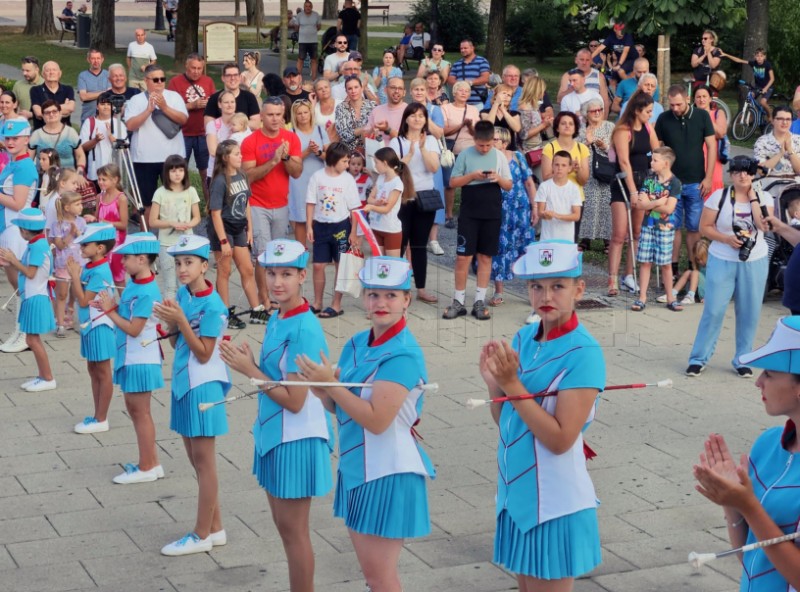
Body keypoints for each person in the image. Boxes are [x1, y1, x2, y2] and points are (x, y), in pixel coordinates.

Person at [295, 255, 436, 592]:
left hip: (388, 470)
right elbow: (340, 407)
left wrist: (331, 384)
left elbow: (377, 421)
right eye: (373, 294)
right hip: (359, 465)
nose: (381, 302)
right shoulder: (357, 342)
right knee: (374, 578)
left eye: (391, 295)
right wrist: (319, 387)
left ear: (407, 300)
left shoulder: (402, 354)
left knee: (381, 577)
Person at [479, 239, 604, 592]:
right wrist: (494, 386)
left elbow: (561, 439)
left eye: (558, 286)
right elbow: (508, 422)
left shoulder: (585, 353)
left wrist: (511, 384)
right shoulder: (523, 337)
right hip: (516, 493)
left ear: (579, 289)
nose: (546, 295)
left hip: (554, 500)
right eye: (536, 286)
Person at [220, 239, 334, 591]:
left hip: (296, 437)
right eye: (271, 273)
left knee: (294, 533)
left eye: (287, 274)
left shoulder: (303, 327)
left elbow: (296, 400)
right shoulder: (280, 315)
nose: (277, 282)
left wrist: (249, 370)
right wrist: (253, 363)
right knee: (286, 531)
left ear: (303, 276)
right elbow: (278, 375)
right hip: (275, 432)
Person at [693, 316, 800, 592]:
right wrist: (731, 500)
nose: (758, 382)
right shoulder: (767, 444)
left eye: (770, 374)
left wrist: (749, 505)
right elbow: (750, 556)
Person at [151, 235, 229, 556]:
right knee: (194, 461)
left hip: (203, 386)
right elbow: (177, 345)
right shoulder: (183, 295)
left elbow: (204, 353)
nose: (182, 269)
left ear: (203, 266)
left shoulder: (214, 305)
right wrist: (168, 326)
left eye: (189, 262)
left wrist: (181, 321)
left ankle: (200, 535)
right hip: (183, 383)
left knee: (205, 462)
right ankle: (215, 527)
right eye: (178, 262)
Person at [686, 155, 773, 378]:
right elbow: (704, 227)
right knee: (713, 310)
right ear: (731, 174)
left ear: (754, 174)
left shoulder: (765, 197)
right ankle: (698, 358)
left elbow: (764, 226)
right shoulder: (719, 197)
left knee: (750, 312)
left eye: (747, 171)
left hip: (754, 260)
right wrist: (726, 239)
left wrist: (753, 198)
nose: (743, 176)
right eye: (737, 171)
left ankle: (743, 359)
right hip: (722, 257)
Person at [99, 233, 165, 485]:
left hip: (141, 357)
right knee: (138, 412)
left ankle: (147, 465)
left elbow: (134, 329)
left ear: (142, 259)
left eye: (126, 258)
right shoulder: (137, 283)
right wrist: (111, 306)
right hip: (132, 356)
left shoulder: (146, 290)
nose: (122, 263)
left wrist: (110, 311)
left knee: (140, 413)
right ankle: (152, 462)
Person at [444, 120, 513, 321]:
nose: (484, 149)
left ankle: (480, 300)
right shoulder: (465, 155)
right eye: (481, 145)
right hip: (469, 212)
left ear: (494, 141)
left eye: (488, 145)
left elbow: (508, 185)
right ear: (474, 140)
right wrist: (473, 175)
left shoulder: (499, 156)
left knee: (485, 257)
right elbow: (453, 182)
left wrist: (497, 178)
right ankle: (458, 300)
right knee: (463, 257)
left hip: (491, 212)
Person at [241, 99, 302, 311]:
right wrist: (273, 161)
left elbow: (297, 172)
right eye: (270, 115)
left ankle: (279, 294)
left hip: (281, 204)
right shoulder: (251, 141)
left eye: (278, 114)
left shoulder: (291, 138)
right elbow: (247, 176)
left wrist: (284, 158)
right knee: (262, 253)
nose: (275, 119)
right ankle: (264, 297)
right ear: (261, 116)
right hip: (257, 203)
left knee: (278, 252)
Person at [655, 84, 716, 274]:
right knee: (671, 227)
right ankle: (671, 269)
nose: (675, 108)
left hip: (696, 182)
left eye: (678, 105)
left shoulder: (702, 116)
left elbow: (712, 147)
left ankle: (693, 267)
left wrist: (708, 177)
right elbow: (657, 148)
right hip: (672, 183)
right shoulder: (663, 119)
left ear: (687, 99)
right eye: (672, 105)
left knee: (694, 227)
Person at [67, 223, 117, 433]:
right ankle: (97, 414)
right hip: (90, 325)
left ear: (100, 248)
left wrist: (75, 277)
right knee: (93, 369)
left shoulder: (100, 271)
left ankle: (101, 418)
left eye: (86, 244)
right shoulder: (90, 266)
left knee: (103, 371)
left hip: (100, 326)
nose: (81, 248)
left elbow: (84, 300)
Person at [124, 65, 189, 226]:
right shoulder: (136, 100)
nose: (160, 83)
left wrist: (165, 107)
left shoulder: (174, 97)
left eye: (162, 79)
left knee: (177, 198)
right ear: (146, 81)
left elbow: (183, 119)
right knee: (146, 202)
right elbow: (130, 126)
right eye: (155, 79)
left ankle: (177, 239)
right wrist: (148, 110)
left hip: (173, 157)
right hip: (144, 159)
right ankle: (146, 240)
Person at [0, 208, 56, 391]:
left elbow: (31, 273)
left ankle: (47, 377)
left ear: (24, 230)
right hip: (32, 296)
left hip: (35, 297)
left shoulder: (38, 246)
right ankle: (43, 376)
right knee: (32, 339)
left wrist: (13, 261)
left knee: (32, 340)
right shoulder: (37, 244)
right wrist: (10, 262)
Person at [208, 140, 263, 326]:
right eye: (236, 154)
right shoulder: (220, 181)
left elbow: (246, 202)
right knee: (225, 271)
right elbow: (215, 213)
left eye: (240, 153)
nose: (241, 156)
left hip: (239, 226)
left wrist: (250, 228)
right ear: (225, 158)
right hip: (223, 228)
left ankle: (257, 310)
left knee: (247, 269)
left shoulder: (242, 175)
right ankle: (224, 313)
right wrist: (223, 241)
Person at [609, 91, 659, 295]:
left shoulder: (648, 127)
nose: (650, 114)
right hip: (624, 183)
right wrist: (632, 191)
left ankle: (628, 275)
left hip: (645, 181)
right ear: (637, 110)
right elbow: (623, 161)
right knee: (620, 234)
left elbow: (657, 151)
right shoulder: (623, 130)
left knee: (636, 232)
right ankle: (611, 279)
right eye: (647, 111)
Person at [305, 142, 360, 318]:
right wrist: (309, 225)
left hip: (341, 226)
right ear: (334, 160)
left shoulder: (348, 179)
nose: (347, 165)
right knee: (318, 265)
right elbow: (311, 202)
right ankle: (317, 302)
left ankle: (336, 304)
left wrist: (353, 232)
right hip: (321, 225)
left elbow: (355, 209)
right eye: (344, 161)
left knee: (340, 265)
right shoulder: (317, 177)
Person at [488, 127, 536, 314]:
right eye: (491, 139)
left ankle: (533, 291)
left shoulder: (517, 157)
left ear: (505, 142)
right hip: (498, 210)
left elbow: (529, 182)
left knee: (526, 248)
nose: (493, 142)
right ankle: (499, 290)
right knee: (499, 249)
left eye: (496, 140)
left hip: (520, 209)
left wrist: (536, 207)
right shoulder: (488, 159)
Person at [0, 120, 38, 355]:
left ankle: (26, 333)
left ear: (26, 139)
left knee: (22, 285)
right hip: (7, 228)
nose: (11, 142)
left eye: (16, 138)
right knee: (16, 284)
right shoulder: (13, 163)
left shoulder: (24, 167)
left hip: (16, 230)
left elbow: (17, 202)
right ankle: (19, 329)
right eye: (8, 138)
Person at [630, 147, 682, 312]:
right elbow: (639, 204)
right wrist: (657, 203)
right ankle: (642, 297)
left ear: (666, 163)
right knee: (645, 262)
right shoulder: (649, 179)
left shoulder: (675, 183)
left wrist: (649, 204)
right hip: (648, 226)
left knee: (665, 263)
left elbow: (669, 209)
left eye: (655, 160)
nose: (651, 162)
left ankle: (670, 298)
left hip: (665, 228)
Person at [149, 155, 201, 301]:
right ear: (166, 173)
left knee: (187, 283)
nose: (177, 174)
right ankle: (171, 320)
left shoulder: (191, 191)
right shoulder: (160, 193)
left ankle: (187, 317)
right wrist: (172, 223)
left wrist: (189, 224)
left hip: (186, 244)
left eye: (180, 170)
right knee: (170, 285)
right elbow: (153, 221)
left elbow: (196, 217)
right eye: (173, 171)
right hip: (166, 244)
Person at [168, 53, 216, 203]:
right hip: (183, 133)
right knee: (179, 172)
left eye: (199, 68)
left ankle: (209, 205)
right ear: (186, 67)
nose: (196, 71)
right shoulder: (176, 82)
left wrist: (209, 104)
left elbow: (215, 105)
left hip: (203, 133)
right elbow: (170, 108)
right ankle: (180, 203)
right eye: (193, 68)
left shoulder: (208, 81)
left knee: (206, 172)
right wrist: (192, 105)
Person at [289, 99, 327, 246]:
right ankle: (301, 248)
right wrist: (307, 151)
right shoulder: (291, 133)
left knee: (320, 214)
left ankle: (320, 249)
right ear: (294, 115)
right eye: (299, 113)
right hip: (299, 178)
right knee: (300, 216)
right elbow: (291, 159)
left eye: (305, 112)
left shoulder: (320, 130)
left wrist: (317, 152)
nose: (303, 116)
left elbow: (329, 156)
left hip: (318, 176)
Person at [441, 81, 479, 228]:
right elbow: (443, 131)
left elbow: (477, 134)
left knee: (469, 184)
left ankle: (467, 214)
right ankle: (448, 215)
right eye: (460, 90)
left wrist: (469, 126)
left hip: (469, 151)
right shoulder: (445, 108)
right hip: (451, 151)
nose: (464, 93)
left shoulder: (474, 110)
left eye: (467, 91)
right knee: (450, 184)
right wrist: (460, 125)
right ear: (454, 93)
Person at [577, 98, 613, 252]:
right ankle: (585, 239)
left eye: (600, 109)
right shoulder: (581, 130)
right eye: (594, 111)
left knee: (606, 205)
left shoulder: (610, 127)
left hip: (606, 171)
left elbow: (616, 154)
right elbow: (575, 150)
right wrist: (587, 142)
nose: (598, 112)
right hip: (588, 172)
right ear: (587, 114)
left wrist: (604, 146)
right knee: (588, 204)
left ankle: (608, 240)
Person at [49, 190, 86, 336]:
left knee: (76, 292)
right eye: (77, 204)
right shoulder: (57, 225)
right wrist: (71, 234)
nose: (81, 206)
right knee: (62, 293)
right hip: (63, 264)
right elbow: (59, 245)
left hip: (78, 263)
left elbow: (85, 242)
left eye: (80, 203)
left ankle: (70, 311)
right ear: (67, 207)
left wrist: (78, 234)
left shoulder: (81, 222)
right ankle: (60, 323)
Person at [364, 147, 413, 257]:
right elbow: (370, 198)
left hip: (390, 229)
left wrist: (371, 207)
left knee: (391, 266)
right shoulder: (381, 178)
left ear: (385, 163)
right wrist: (377, 202)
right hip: (376, 226)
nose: (375, 166)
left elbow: (386, 209)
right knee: (378, 263)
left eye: (376, 163)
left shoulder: (397, 184)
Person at [540, 112, 590, 209]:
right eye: (563, 123)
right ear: (557, 128)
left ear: (575, 128)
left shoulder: (582, 148)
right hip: (554, 199)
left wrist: (578, 170)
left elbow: (583, 181)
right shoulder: (549, 148)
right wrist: (567, 170)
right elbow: (546, 178)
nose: (567, 126)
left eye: (571, 124)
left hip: (575, 200)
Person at [79, 93, 127, 191]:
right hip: (95, 170)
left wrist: (109, 135)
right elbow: (83, 147)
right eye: (102, 104)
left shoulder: (118, 123)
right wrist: (95, 140)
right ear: (97, 106)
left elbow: (123, 146)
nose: (105, 107)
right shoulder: (89, 122)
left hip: (113, 169)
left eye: (109, 104)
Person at [95, 163, 129, 289]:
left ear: (115, 180)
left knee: (118, 278)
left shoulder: (121, 198)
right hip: (102, 242)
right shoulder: (99, 197)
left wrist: (107, 223)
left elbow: (124, 224)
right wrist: (92, 219)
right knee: (102, 276)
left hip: (117, 243)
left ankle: (124, 303)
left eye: (104, 179)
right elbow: (97, 218)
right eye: (99, 179)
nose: (100, 182)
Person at [536, 151, 582, 242]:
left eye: (563, 165)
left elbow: (576, 216)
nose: (559, 168)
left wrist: (556, 215)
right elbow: (540, 212)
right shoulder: (544, 186)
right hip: (547, 239)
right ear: (552, 166)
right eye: (557, 165)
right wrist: (545, 215)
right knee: (545, 257)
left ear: (569, 168)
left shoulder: (574, 188)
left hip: (566, 240)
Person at [722, 47, 774, 120]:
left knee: (762, 102)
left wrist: (765, 88)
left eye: (761, 56)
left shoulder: (767, 65)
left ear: (764, 57)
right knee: (749, 97)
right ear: (755, 56)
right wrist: (725, 54)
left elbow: (772, 79)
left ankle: (770, 116)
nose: (759, 58)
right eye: (758, 56)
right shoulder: (753, 63)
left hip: (768, 87)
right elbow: (739, 60)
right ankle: (751, 115)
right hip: (758, 86)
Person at [203, 63, 260, 131]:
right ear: (223, 78)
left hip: (244, 140)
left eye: (235, 75)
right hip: (221, 140)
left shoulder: (249, 97)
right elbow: (208, 124)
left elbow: (256, 124)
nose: (233, 78)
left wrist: (236, 125)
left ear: (240, 77)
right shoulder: (214, 98)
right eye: (229, 75)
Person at [693, 85, 727, 194]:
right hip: (695, 163)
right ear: (694, 99)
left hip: (713, 161)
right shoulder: (690, 115)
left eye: (704, 96)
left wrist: (705, 117)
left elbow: (721, 133)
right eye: (698, 97)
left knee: (713, 198)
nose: (701, 99)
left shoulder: (718, 113)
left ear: (710, 99)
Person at [557, 49, 610, 114]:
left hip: (594, 117)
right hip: (572, 118)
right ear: (576, 60)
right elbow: (559, 100)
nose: (584, 63)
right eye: (582, 59)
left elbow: (605, 102)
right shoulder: (568, 75)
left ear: (591, 61)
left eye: (587, 60)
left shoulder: (599, 76)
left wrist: (602, 122)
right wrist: (571, 88)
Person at [753, 105, 800, 178]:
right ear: (772, 120)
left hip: (794, 185)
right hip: (770, 184)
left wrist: (790, 150)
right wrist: (780, 154)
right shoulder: (762, 142)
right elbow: (761, 171)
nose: (784, 122)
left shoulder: (798, 140)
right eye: (780, 119)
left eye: (788, 119)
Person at [658, 239, 707, 305]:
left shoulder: (712, 265)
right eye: (698, 259)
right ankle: (672, 293)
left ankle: (691, 297)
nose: (700, 261)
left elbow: (716, 283)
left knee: (695, 272)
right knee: (688, 272)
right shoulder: (699, 265)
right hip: (698, 288)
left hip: (707, 291)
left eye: (702, 258)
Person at [30, 61, 76, 131]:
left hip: (64, 133)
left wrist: (46, 111)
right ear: (43, 74)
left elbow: (70, 108)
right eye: (48, 70)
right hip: (42, 133)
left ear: (60, 73)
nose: (51, 73)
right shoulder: (35, 90)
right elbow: (38, 112)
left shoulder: (68, 89)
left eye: (54, 70)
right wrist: (62, 110)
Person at [334, 76, 376, 152]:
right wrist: (364, 129)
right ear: (346, 91)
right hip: (348, 153)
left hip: (369, 151)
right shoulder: (341, 108)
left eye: (356, 87)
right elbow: (344, 136)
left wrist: (357, 131)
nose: (353, 91)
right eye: (350, 88)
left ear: (362, 88)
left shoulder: (372, 106)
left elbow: (376, 130)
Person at [205, 90, 236, 183]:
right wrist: (235, 156)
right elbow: (213, 151)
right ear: (219, 104)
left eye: (232, 102)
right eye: (226, 102)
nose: (230, 105)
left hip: (236, 173)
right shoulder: (212, 125)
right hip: (217, 173)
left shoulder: (243, 124)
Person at [447, 39, 490, 107]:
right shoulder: (457, 64)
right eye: (461, 48)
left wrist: (470, 82)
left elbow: (485, 78)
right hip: (460, 103)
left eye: (465, 48)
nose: (463, 50)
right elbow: (450, 79)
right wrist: (462, 84)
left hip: (478, 102)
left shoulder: (482, 61)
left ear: (472, 48)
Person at [366, 77, 407, 147]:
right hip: (378, 154)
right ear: (385, 90)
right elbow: (366, 137)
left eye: (400, 88)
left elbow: (407, 140)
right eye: (393, 88)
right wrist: (371, 131)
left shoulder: (410, 111)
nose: (396, 91)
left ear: (404, 92)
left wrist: (388, 130)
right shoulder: (376, 110)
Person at [77, 49, 109, 126]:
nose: (96, 61)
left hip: (106, 117)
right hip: (88, 115)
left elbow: (110, 95)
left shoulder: (108, 74)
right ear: (88, 60)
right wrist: (103, 92)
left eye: (98, 58)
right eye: (93, 58)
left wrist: (90, 94)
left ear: (102, 60)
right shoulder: (83, 75)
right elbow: (83, 97)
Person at [295, 1, 323, 80]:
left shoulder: (316, 15)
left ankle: (314, 78)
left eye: (309, 6)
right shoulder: (299, 15)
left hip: (313, 41)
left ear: (312, 7)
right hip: (302, 41)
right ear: (304, 7)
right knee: (300, 59)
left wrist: (311, 31)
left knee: (314, 59)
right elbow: (296, 27)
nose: (308, 8)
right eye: (306, 6)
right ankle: (298, 78)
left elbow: (319, 26)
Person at [12, 57, 44, 124]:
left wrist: (32, 115)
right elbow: (12, 107)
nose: (24, 73)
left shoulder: (46, 85)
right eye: (23, 70)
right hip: (21, 129)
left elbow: (54, 112)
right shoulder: (18, 85)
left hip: (41, 129)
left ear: (37, 69)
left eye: (27, 71)